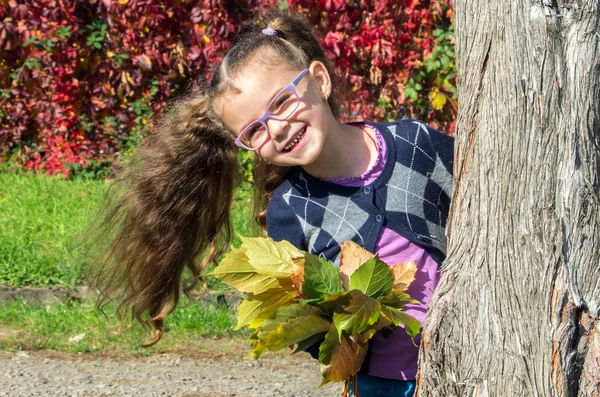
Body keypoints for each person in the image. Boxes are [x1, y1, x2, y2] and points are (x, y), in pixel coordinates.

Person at [92, 10, 453, 397]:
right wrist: (345, 318)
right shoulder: (291, 212)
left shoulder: (416, 144)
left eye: (281, 102)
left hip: (475, 355)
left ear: (319, 80)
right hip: (383, 385)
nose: (276, 128)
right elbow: (306, 322)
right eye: (255, 130)